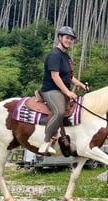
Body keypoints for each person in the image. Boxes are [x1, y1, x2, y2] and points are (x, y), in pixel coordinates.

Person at [38, 26, 89, 154]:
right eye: (67, 38)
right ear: (60, 38)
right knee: (60, 112)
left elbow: (70, 77)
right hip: (51, 90)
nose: (69, 41)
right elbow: (55, 76)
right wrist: (68, 92)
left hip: (62, 90)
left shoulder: (66, 57)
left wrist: (82, 85)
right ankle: (46, 142)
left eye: (71, 39)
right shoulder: (54, 54)